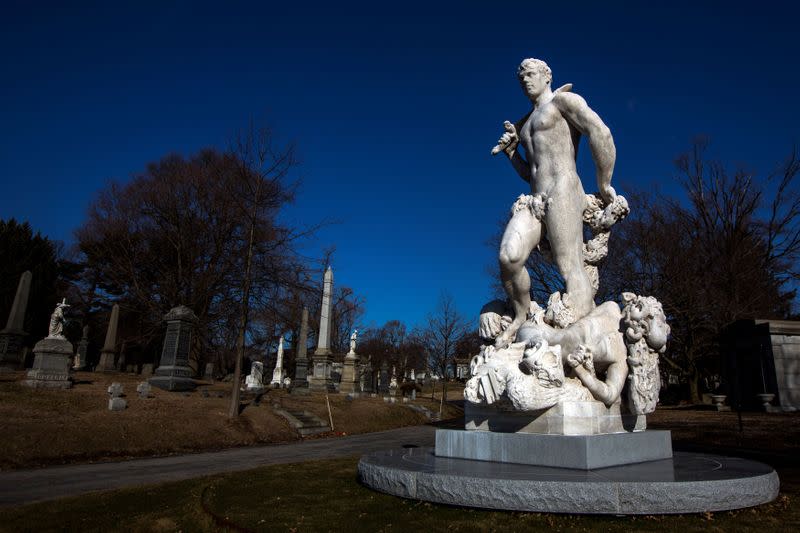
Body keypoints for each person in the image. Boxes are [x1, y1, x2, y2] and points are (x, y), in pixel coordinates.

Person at [492, 58, 617, 348]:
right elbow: (531, 173)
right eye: (520, 76)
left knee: (569, 265)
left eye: (531, 74)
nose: (525, 80)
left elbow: (600, 132)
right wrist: (512, 154)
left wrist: (604, 184)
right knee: (508, 257)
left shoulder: (563, 102)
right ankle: (522, 315)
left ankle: (580, 340)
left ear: (547, 76)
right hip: (535, 198)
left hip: (563, 189)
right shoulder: (524, 127)